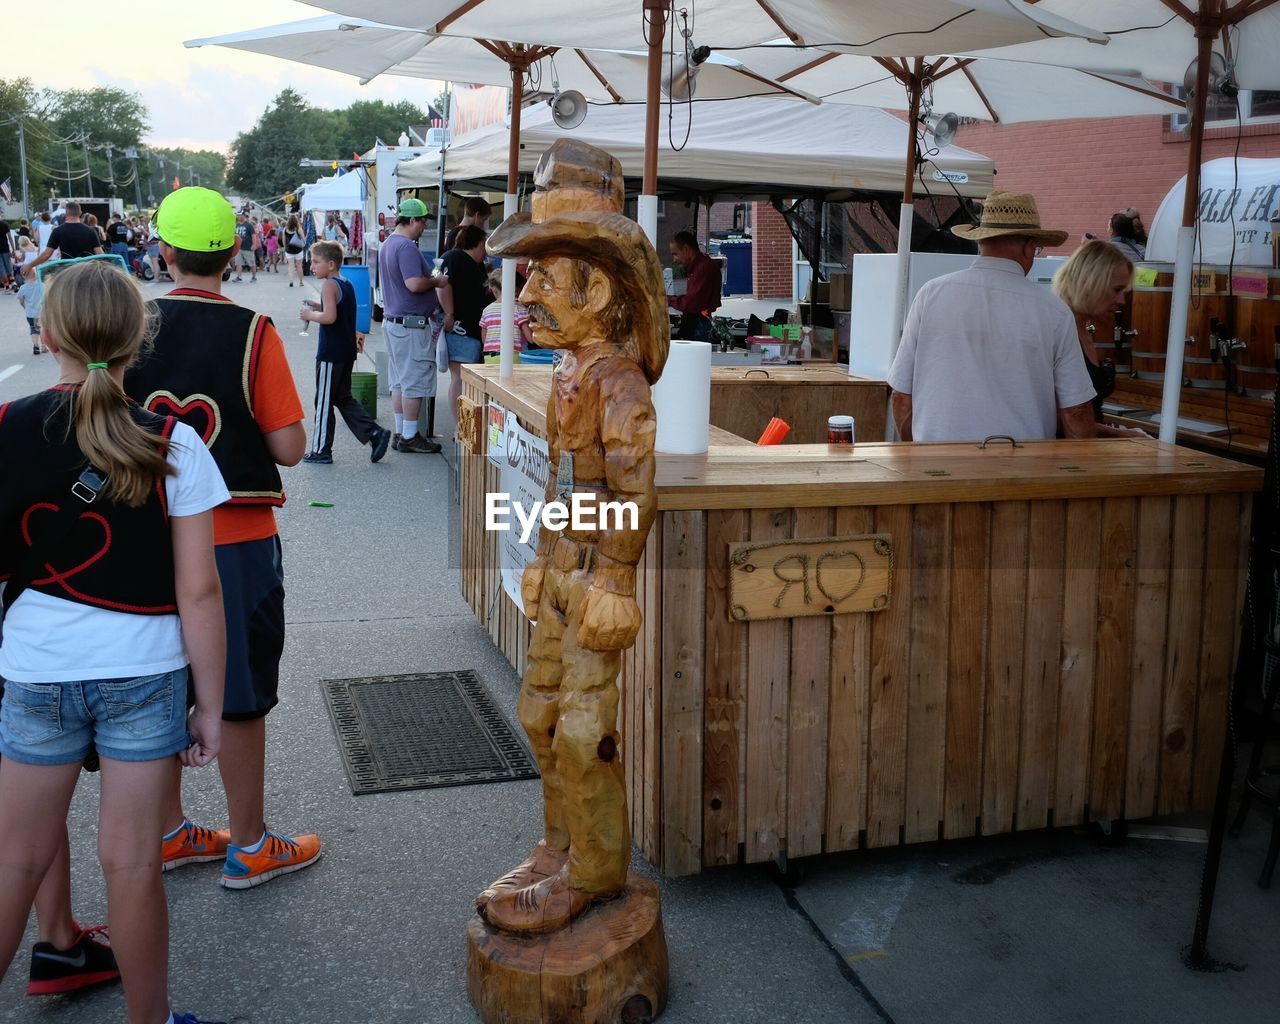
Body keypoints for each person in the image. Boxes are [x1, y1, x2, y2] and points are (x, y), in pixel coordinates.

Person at [0, 259, 228, 1024]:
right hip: (145, 673)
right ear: (140, 340)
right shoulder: (176, 443)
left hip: (35, 672)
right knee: (132, 864)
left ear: (48, 332)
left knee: (15, 860)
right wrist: (212, 706)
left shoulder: (5, 426)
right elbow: (199, 589)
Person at [478, 138, 669, 934]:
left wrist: (616, 580)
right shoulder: (568, 374)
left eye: (545, 278)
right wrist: (539, 548)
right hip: (564, 559)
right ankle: (558, 844)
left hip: (597, 571)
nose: (527, 294)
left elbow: (634, 486)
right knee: (538, 712)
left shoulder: (618, 383)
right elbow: (563, 480)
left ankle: (593, 872)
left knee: (586, 729)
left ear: (595, 288)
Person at [123, 186, 321, 890]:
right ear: (237, 253)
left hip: (144, 535)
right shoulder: (253, 331)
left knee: (159, 683)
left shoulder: (131, 325)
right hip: (235, 536)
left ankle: (173, 831)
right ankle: (250, 843)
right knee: (238, 689)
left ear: (163, 251)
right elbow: (290, 447)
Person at [888, 190, 1097, 443]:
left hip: (937, 465)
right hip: (1023, 467)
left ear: (981, 242)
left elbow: (901, 396)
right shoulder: (1054, 311)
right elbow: (1076, 410)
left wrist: (916, 451)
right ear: (1030, 248)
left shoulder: (931, 294)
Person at [299, 240, 392, 465]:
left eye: (316, 261)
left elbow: (330, 318)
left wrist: (310, 315)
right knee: (342, 397)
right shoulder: (345, 283)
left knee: (323, 401)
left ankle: (321, 449)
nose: (312, 266)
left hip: (331, 352)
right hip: (345, 350)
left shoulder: (329, 285)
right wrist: (318, 305)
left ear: (331, 264)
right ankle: (374, 433)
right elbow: (336, 310)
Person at [378, 196, 454, 454]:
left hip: (395, 323)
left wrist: (432, 276)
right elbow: (413, 284)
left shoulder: (388, 244)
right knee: (414, 381)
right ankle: (410, 436)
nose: (424, 227)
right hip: (411, 326)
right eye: (422, 222)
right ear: (412, 221)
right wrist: (437, 282)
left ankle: (401, 432)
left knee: (399, 382)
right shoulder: (407, 247)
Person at [1052, 240, 1149, 438]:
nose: (1121, 300)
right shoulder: (1056, 328)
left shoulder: (1082, 329)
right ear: (1090, 282)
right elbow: (1059, 418)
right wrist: (1124, 436)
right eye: (1116, 290)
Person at [441, 224, 491, 419]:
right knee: (460, 379)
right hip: (461, 330)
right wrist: (449, 314)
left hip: (472, 330)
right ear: (477, 243)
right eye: (484, 245)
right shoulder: (453, 258)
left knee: (467, 379)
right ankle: (459, 427)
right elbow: (441, 285)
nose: (485, 251)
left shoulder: (474, 264)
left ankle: (465, 426)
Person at [668, 229, 721, 341]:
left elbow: (690, 303)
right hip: (698, 323)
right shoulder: (697, 268)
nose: (674, 260)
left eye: (675, 254)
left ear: (686, 249)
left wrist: (666, 299)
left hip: (699, 326)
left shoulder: (703, 268)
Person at [28, 202, 102, 273]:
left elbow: (46, 255)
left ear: (66, 214)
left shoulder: (58, 231)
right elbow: (100, 254)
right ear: (80, 213)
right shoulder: (91, 231)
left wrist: (30, 265)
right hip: (86, 271)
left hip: (66, 272)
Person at [479, 267, 533, 361]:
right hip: (512, 355)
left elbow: (485, 339)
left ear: (493, 288)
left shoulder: (487, 310)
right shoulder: (519, 309)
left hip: (490, 356)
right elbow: (530, 338)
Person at [17, 265, 44, 355]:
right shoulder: (41, 285)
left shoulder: (23, 288)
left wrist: (25, 307)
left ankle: (36, 346)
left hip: (30, 314)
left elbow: (21, 301)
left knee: (33, 329)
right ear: (36, 275)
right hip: (41, 312)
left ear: (23, 276)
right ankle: (44, 346)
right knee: (43, 329)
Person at [232, 212, 257, 283]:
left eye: (240, 215)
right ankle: (239, 276)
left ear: (244, 216)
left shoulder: (249, 225)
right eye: (238, 215)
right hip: (239, 247)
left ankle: (254, 277)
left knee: (251, 263)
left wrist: (254, 244)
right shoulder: (236, 225)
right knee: (238, 263)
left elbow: (253, 235)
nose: (239, 217)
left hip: (248, 247)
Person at [283, 214, 306, 288]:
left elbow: (284, 240)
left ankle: (291, 281)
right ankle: (301, 282)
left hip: (289, 250)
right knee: (299, 266)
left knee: (291, 266)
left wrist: (285, 248)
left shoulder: (285, 229)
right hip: (298, 250)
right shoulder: (299, 229)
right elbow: (304, 239)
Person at [0, 218, 12, 290]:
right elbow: (10, 237)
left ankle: (7, 286)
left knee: (1, 268)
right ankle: (13, 283)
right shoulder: (5, 224)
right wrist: (13, 248)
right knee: (8, 266)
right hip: (5, 248)